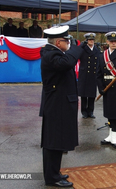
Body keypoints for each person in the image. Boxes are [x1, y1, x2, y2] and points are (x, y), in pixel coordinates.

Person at [39, 25, 84, 187]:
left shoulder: (55, 53)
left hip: (60, 104)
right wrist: (79, 48)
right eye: (67, 41)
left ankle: (55, 172)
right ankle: (51, 178)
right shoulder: (51, 55)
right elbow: (67, 63)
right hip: (56, 105)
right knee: (53, 142)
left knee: (58, 141)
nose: (69, 44)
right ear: (59, 42)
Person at [78, 33, 99, 119]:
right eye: (90, 40)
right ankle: (84, 112)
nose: (91, 41)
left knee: (91, 94)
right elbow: (77, 52)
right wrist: (81, 45)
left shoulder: (97, 49)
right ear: (87, 41)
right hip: (84, 74)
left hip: (93, 74)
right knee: (84, 94)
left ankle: (90, 111)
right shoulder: (83, 49)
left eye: (92, 40)